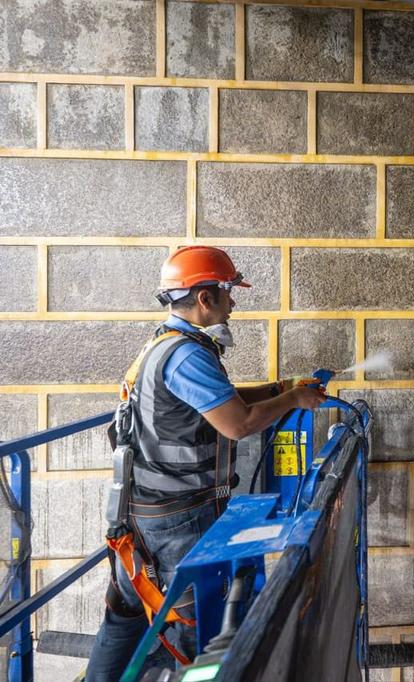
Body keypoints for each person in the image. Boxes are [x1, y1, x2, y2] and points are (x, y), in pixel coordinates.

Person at [85, 246, 326, 682]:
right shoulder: (188, 355)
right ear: (204, 298)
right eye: (228, 292)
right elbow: (238, 423)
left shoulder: (169, 345)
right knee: (199, 634)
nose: (233, 302)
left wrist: (278, 387)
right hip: (176, 522)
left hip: (146, 513)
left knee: (125, 613)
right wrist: (293, 399)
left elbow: (221, 400)